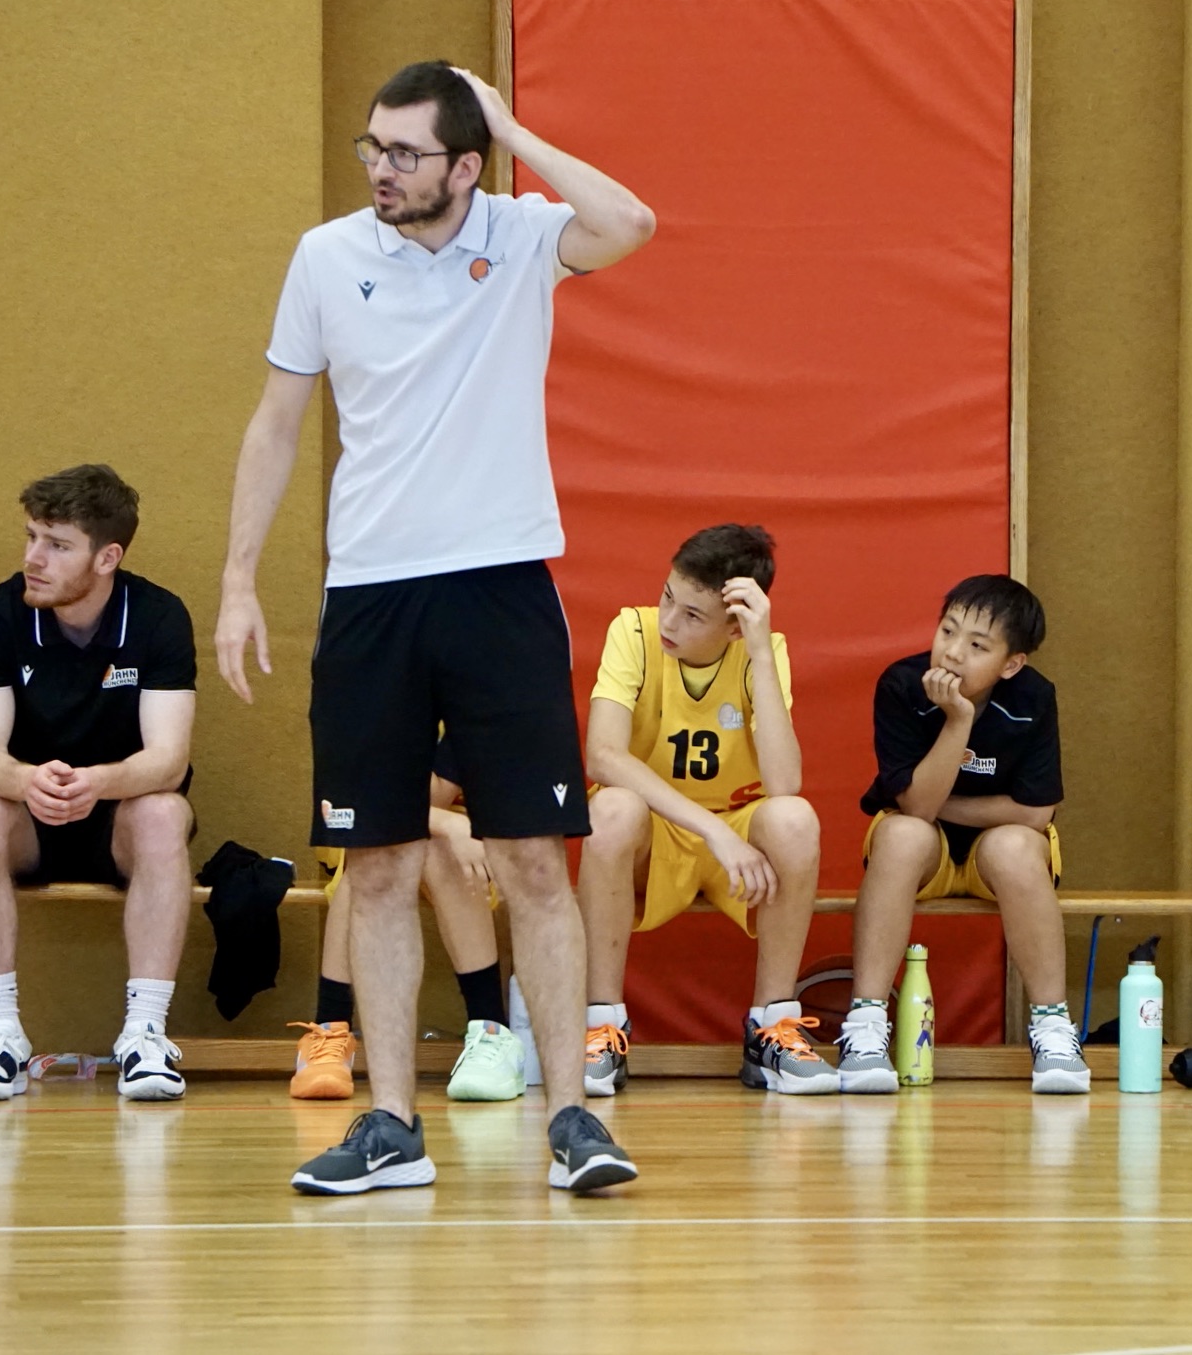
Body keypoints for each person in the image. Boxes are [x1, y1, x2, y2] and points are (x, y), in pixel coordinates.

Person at [215, 59, 655, 1195]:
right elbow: (275, 425)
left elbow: (631, 221)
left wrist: (512, 125)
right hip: (370, 594)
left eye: (406, 153)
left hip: (500, 586)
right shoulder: (325, 257)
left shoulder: (522, 235)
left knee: (533, 860)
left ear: (465, 166)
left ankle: (571, 1120)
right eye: (373, 147)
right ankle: (390, 1127)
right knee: (375, 866)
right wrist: (238, 579)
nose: (381, 169)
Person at [0, 464, 196, 1102]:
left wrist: (98, 782)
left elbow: (168, 760)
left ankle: (145, 1035)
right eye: (32, 537)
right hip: (26, 818)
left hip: (119, 820)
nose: (34, 558)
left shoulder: (158, 616)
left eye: (57, 545)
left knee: (164, 811)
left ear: (107, 557)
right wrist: (28, 779)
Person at [575, 525, 831, 1095]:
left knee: (794, 819)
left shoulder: (762, 650)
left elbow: (784, 782)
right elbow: (602, 756)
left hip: (736, 842)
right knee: (611, 810)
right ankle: (602, 1028)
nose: (669, 621)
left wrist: (759, 650)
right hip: (660, 837)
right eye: (668, 597)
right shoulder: (633, 631)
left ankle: (771, 1028)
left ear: (735, 626)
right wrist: (715, 831)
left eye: (692, 615)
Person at [837, 575, 1086, 1095]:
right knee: (902, 835)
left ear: (1011, 663)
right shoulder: (902, 685)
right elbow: (916, 811)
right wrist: (957, 721)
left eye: (977, 646)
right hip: (923, 848)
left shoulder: (1034, 696)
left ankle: (1053, 1029)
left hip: (995, 850)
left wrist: (932, 801)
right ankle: (866, 1026)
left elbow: (1035, 812)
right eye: (947, 631)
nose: (952, 652)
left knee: (1017, 846)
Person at [292, 735, 525, 1103]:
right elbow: (368, 802)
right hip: (375, 831)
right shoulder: (365, 704)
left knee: (434, 845)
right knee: (375, 847)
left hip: (469, 844)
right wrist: (446, 823)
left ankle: (491, 1030)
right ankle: (329, 1031)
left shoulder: (471, 704)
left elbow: (430, 795)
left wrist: (447, 825)